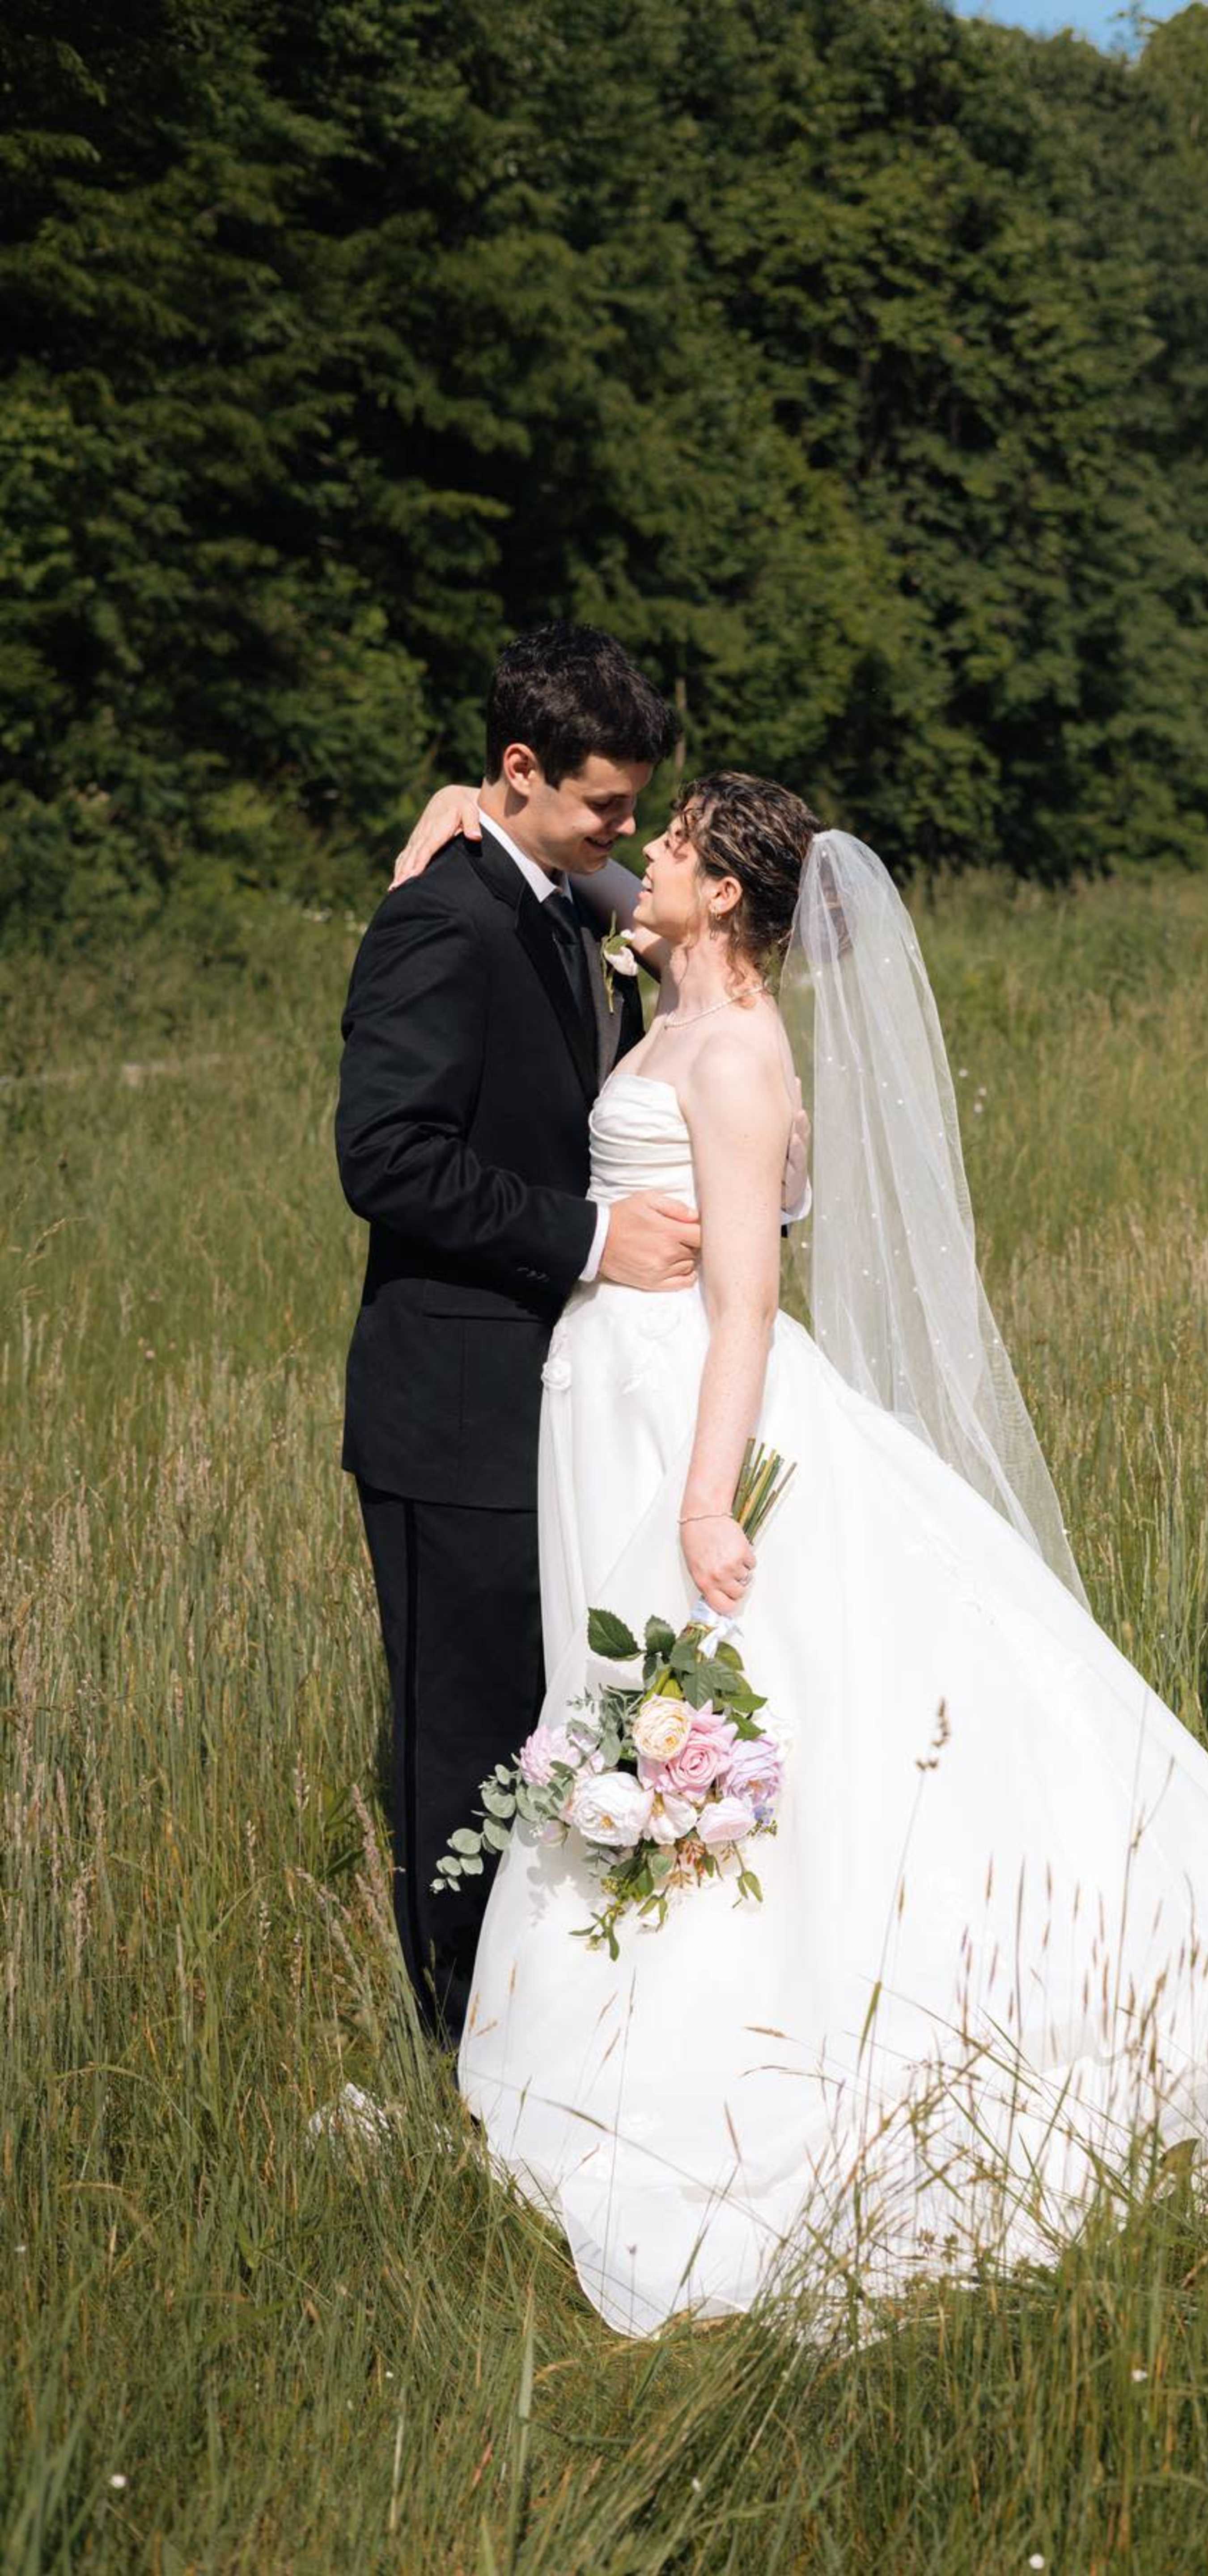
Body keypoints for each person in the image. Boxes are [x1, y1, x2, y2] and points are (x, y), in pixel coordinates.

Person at [395, 771, 1208, 2337]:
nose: (641, 858)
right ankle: (632, 1970)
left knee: (744, 1709)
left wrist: (705, 1502)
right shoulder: (675, 991)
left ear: (724, 896)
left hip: (691, 1415)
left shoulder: (733, 1055)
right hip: (612, 1403)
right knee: (665, 1711)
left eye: (667, 847)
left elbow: (743, 1302)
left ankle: (738, 2010)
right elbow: (563, 880)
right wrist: (462, 811)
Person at [335, 625, 806, 2043]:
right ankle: (453, 2043)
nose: (626, 832)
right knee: (460, 1735)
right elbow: (387, 1158)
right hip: (454, 1402)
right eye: (607, 803)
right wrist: (593, 1239)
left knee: (544, 1728)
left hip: (564, 1403)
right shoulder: (444, 918)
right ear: (526, 770)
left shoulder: (560, 904)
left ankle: (552, 2027)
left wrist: (468, 804)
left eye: (643, 813)